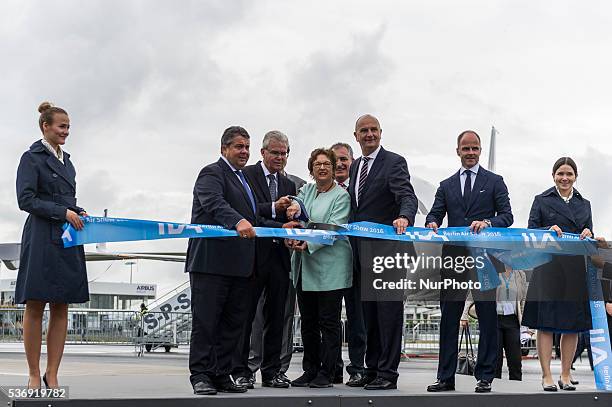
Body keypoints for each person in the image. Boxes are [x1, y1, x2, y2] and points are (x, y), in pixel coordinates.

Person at [186, 126, 282, 395]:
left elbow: (253, 218)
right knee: (206, 322)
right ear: (224, 149)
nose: (244, 152)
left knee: (233, 325)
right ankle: (201, 375)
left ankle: (221, 373)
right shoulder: (211, 173)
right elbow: (213, 203)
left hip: (240, 267)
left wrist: (284, 228)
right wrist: (238, 220)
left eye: (247, 147)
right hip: (211, 265)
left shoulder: (244, 180)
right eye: (239, 146)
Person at [426, 130, 513, 393]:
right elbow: (435, 213)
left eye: (475, 148)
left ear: (480, 150)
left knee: (487, 318)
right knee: (449, 318)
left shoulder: (495, 181)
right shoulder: (446, 185)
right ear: (458, 151)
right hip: (454, 259)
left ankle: (485, 376)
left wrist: (488, 223)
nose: (471, 153)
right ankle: (445, 377)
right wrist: (432, 222)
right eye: (466, 149)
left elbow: (507, 216)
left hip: (484, 259)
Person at [16, 102, 89, 390]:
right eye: (61, 126)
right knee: (35, 304)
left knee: (62, 305)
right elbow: (26, 200)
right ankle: (34, 373)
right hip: (42, 236)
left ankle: (52, 372)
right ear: (45, 127)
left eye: (68, 127)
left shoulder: (68, 162)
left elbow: (66, 199)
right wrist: (62, 212)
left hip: (67, 237)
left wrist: (77, 210)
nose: (66, 131)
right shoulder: (30, 158)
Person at [347, 114, 418, 390]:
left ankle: (388, 373)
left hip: (389, 252)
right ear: (356, 136)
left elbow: (407, 195)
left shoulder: (394, 162)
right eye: (363, 131)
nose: (369, 135)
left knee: (388, 314)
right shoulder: (355, 167)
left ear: (381, 133)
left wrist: (404, 217)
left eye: (373, 130)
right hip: (363, 254)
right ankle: (373, 367)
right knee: (370, 316)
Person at [522, 157, 593, 392]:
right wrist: (546, 230)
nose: (565, 178)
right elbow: (531, 231)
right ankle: (546, 376)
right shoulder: (541, 201)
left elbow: (590, 235)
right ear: (553, 175)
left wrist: (588, 232)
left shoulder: (585, 204)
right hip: (548, 267)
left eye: (569, 174)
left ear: (575, 177)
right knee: (546, 323)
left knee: (572, 325)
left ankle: (564, 374)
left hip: (574, 269)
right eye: (560, 173)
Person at [233, 131, 297, 388]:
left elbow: (289, 222)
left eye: (285, 153)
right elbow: (247, 214)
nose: (280, 158)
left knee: (277, 316)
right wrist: (277, 219)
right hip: (252, 257)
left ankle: (272, 372)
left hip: (279, 259)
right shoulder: (246, 176)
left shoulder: (290, 185)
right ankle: (241, 370)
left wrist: (294, 226)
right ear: (263, 152)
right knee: (246, 316)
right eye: (276, 153)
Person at [286, 148, 353, 388]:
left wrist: (307, 242)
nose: (322, 167)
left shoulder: (341, 196)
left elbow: (333, 229)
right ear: (311, 169)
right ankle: (310, 370)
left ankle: (329, 371)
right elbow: (297, 209)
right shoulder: (306, 191)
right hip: (305, 269)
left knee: (329, 324)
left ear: (334, 169)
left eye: (326, 164)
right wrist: (292, 212)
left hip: (330, 270)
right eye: (317, 164)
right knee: (309, 324)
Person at [330, 142, 366, 385]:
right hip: (330, 265)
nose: (340, 164)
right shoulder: (322, 191)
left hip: (356, 263)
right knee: (329, 321)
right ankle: (331, 369)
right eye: (336, 160)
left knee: (357, 321)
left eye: (344, 159)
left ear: (352, 162)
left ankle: (357, 368)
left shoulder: (360, 189)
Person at [461, 265, 527, 380]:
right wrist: (464, 315)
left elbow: (524, 299)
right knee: (495, 360)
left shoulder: (520, 274)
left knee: (515, 360)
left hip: (512, 320)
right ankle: (493, 387)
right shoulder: (491, 271)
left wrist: (526, 326)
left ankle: (517, 388)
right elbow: (474, 294)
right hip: (494, 319)